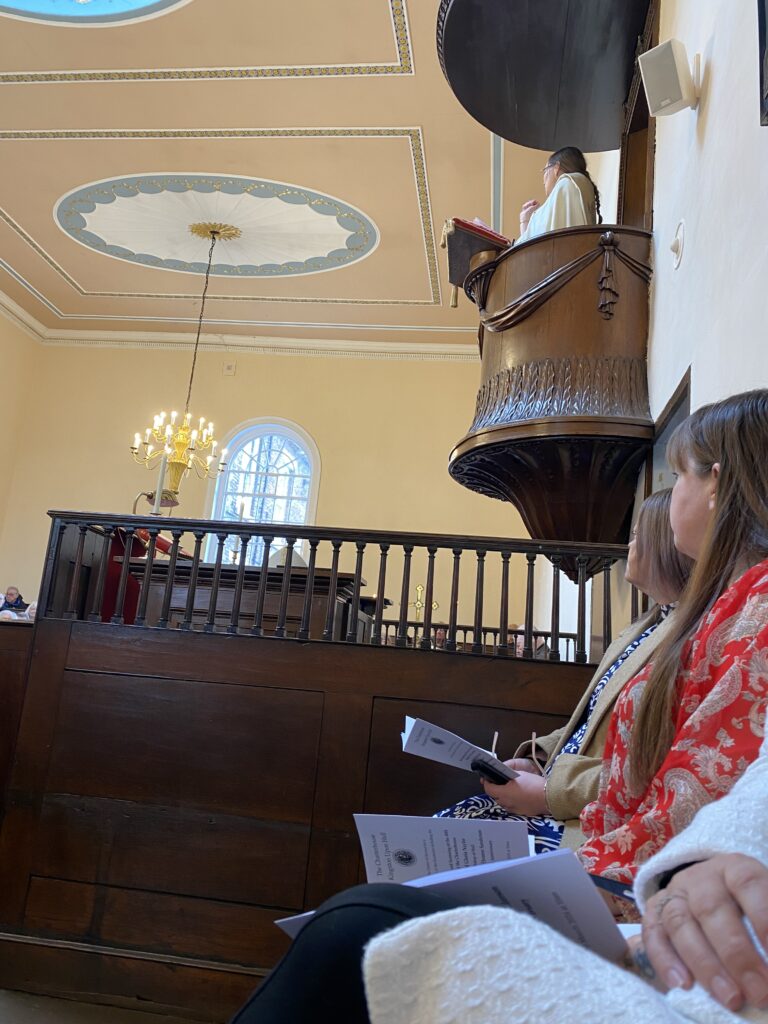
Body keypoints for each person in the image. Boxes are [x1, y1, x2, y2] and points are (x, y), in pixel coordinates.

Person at [226, 389, 768, 1023]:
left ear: (717, 485)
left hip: (631, 873)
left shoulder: (753, 610)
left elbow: (698, 795)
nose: (670, 494)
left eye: (679, 474)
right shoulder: (718, 609)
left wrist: (580, 862)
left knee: (355, 926)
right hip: (613, 848)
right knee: (373, 899)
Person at [436, 489, 692, 857]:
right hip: (562, 793)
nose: (628, 546)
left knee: (446, 847)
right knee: (434, 838)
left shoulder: (688, 636)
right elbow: (590, 724)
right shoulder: (641, 629)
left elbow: (658, 771)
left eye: (637, 536)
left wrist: (548, 792)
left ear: (665, 546)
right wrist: (537, 760)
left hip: (587, 821)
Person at [516, 145, 601, 244]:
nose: (543, 181)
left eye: (545, 171)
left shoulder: (566, 184)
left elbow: (530, 246)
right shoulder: (582, 185)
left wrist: (528, 219)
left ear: (556, 168)